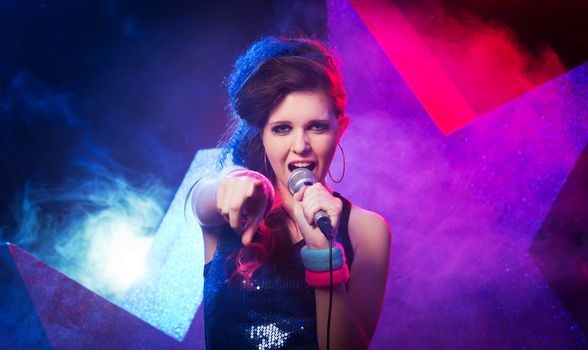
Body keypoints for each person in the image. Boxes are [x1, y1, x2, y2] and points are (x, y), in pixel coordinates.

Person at [191, 36, 390, 350]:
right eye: (282, 128)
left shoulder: (366, 229)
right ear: (263, 134)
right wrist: (231, 180)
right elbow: (201, 200)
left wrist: (324, 254)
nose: (301, 146)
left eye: (317, 127)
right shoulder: (234, 204)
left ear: (342, 128)